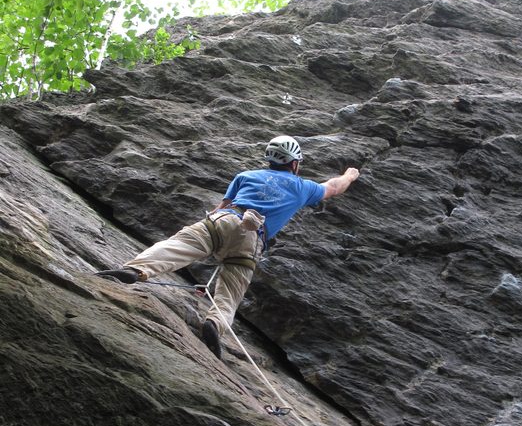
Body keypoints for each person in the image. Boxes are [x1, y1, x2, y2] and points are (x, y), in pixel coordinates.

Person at [96, 135, 360, 359]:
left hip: (227, 219)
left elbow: (221, 207)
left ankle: (135, 270)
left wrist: (209, 228)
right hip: (253, 237)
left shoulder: (245, 175)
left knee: (177, 246)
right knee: (231, 292)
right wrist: (349, 175)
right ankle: (214, 323)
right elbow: (334, 187)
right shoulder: (303, 187)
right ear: (294, 163)